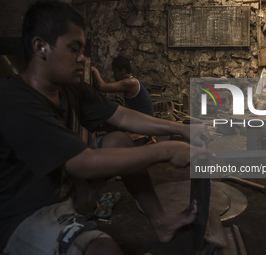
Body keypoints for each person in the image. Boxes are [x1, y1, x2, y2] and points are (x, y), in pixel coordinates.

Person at [0, 1, 214, 255]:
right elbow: (81, 162)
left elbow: (121, 115)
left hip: (63, 189)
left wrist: (181, 129)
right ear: (41, 47)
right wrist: (165, 151)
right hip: (23, 213)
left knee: (118, 140)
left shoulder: (69, 88)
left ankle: (161, 222)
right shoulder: (14, 99)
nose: (82, 57)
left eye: (83, 48)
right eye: (73, 49)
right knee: (104, 249)